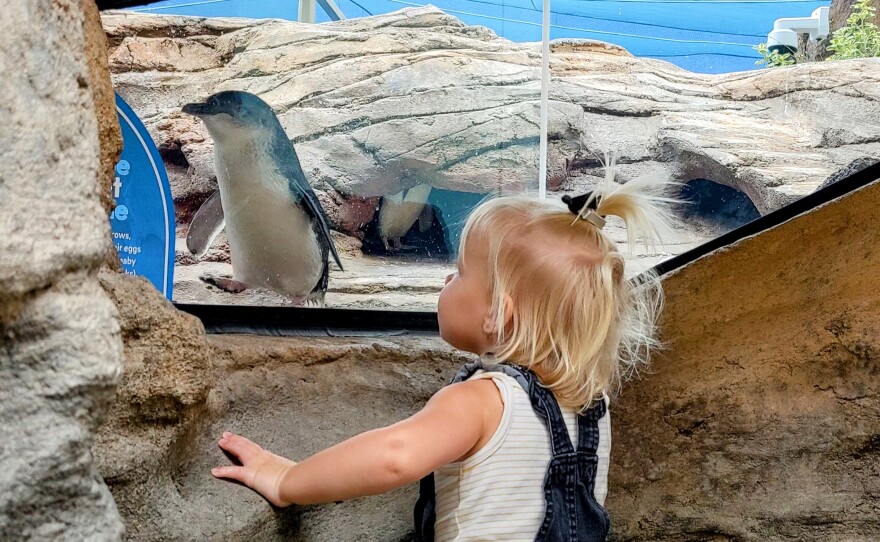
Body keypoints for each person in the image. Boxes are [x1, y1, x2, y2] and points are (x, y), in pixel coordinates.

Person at [210, 169, 678, 541]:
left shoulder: (482, 402)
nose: (445, 283)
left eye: (457, 273)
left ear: (497, 315)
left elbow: (395, 455)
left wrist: (288, 479)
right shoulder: (593, 406)